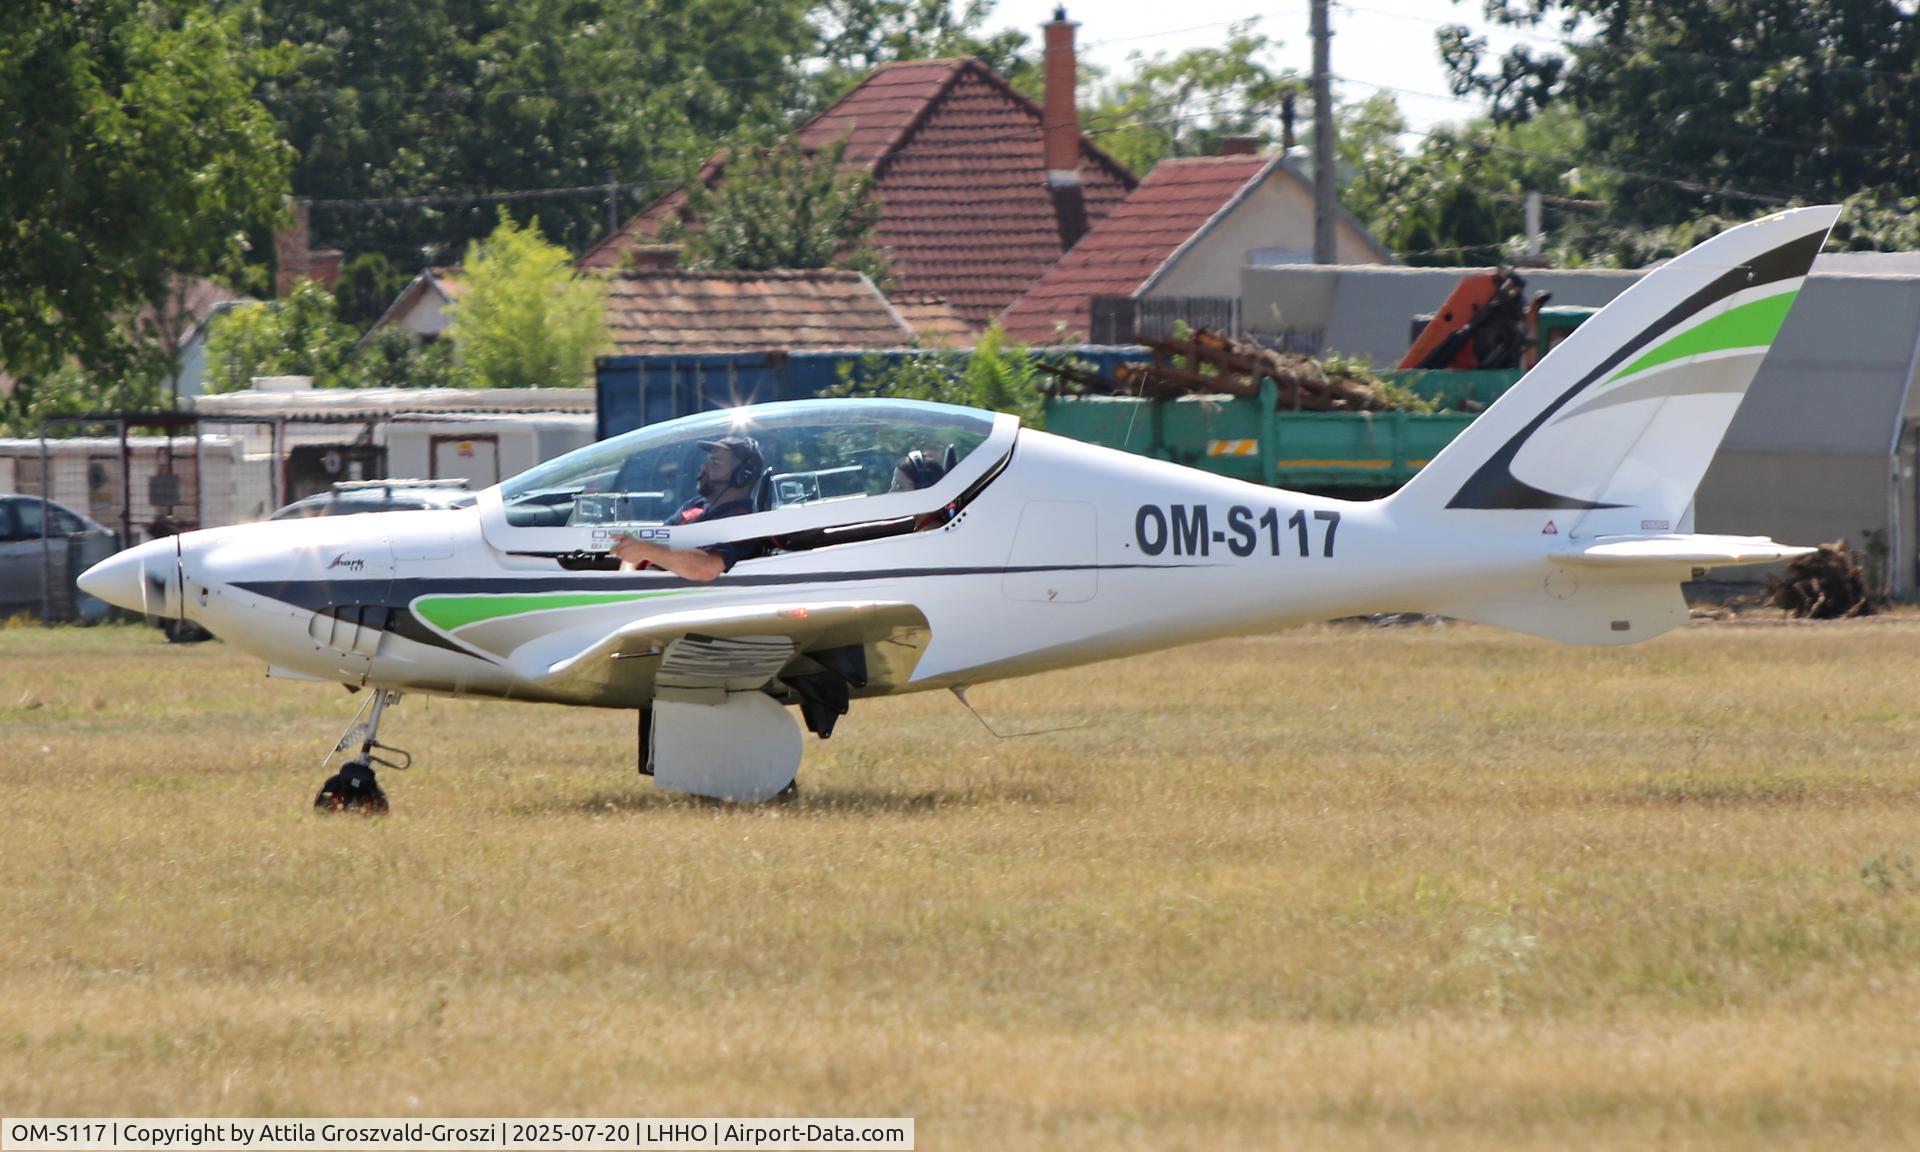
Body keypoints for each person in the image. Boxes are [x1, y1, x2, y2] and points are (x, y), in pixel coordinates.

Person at [609, 436, 766, 581]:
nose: (704, 467)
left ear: (742, 476)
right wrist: (627, 576)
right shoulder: (695, 506)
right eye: (708, 461)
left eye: (715, 463)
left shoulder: (742, 524)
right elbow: (645, 546)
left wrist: (645, 551)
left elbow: (706, 569)